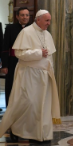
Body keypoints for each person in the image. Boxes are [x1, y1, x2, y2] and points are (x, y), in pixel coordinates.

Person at [0, 10, 61, 143]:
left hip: (44, 76)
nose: (49, 23)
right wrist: (38, 52)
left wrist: (51, 70)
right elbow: (19, 54)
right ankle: (23, 131)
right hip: (29, 75)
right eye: (47, 20)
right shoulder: (26, 32)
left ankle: (43, 133)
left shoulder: (47, 34)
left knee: (44, 106)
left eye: (49, 20)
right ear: (38, 20)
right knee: (30, 104)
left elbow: (50, 56)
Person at [1, 7, 30, 106]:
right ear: (17, 16)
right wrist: (4, 65)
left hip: (28, 61)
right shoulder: (10, 28)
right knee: (12, 85)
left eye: (27, 15)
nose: (25, 17)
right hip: (13, 61)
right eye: (22, 15)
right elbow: (5, 48)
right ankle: (10, 108)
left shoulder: (33, 28)